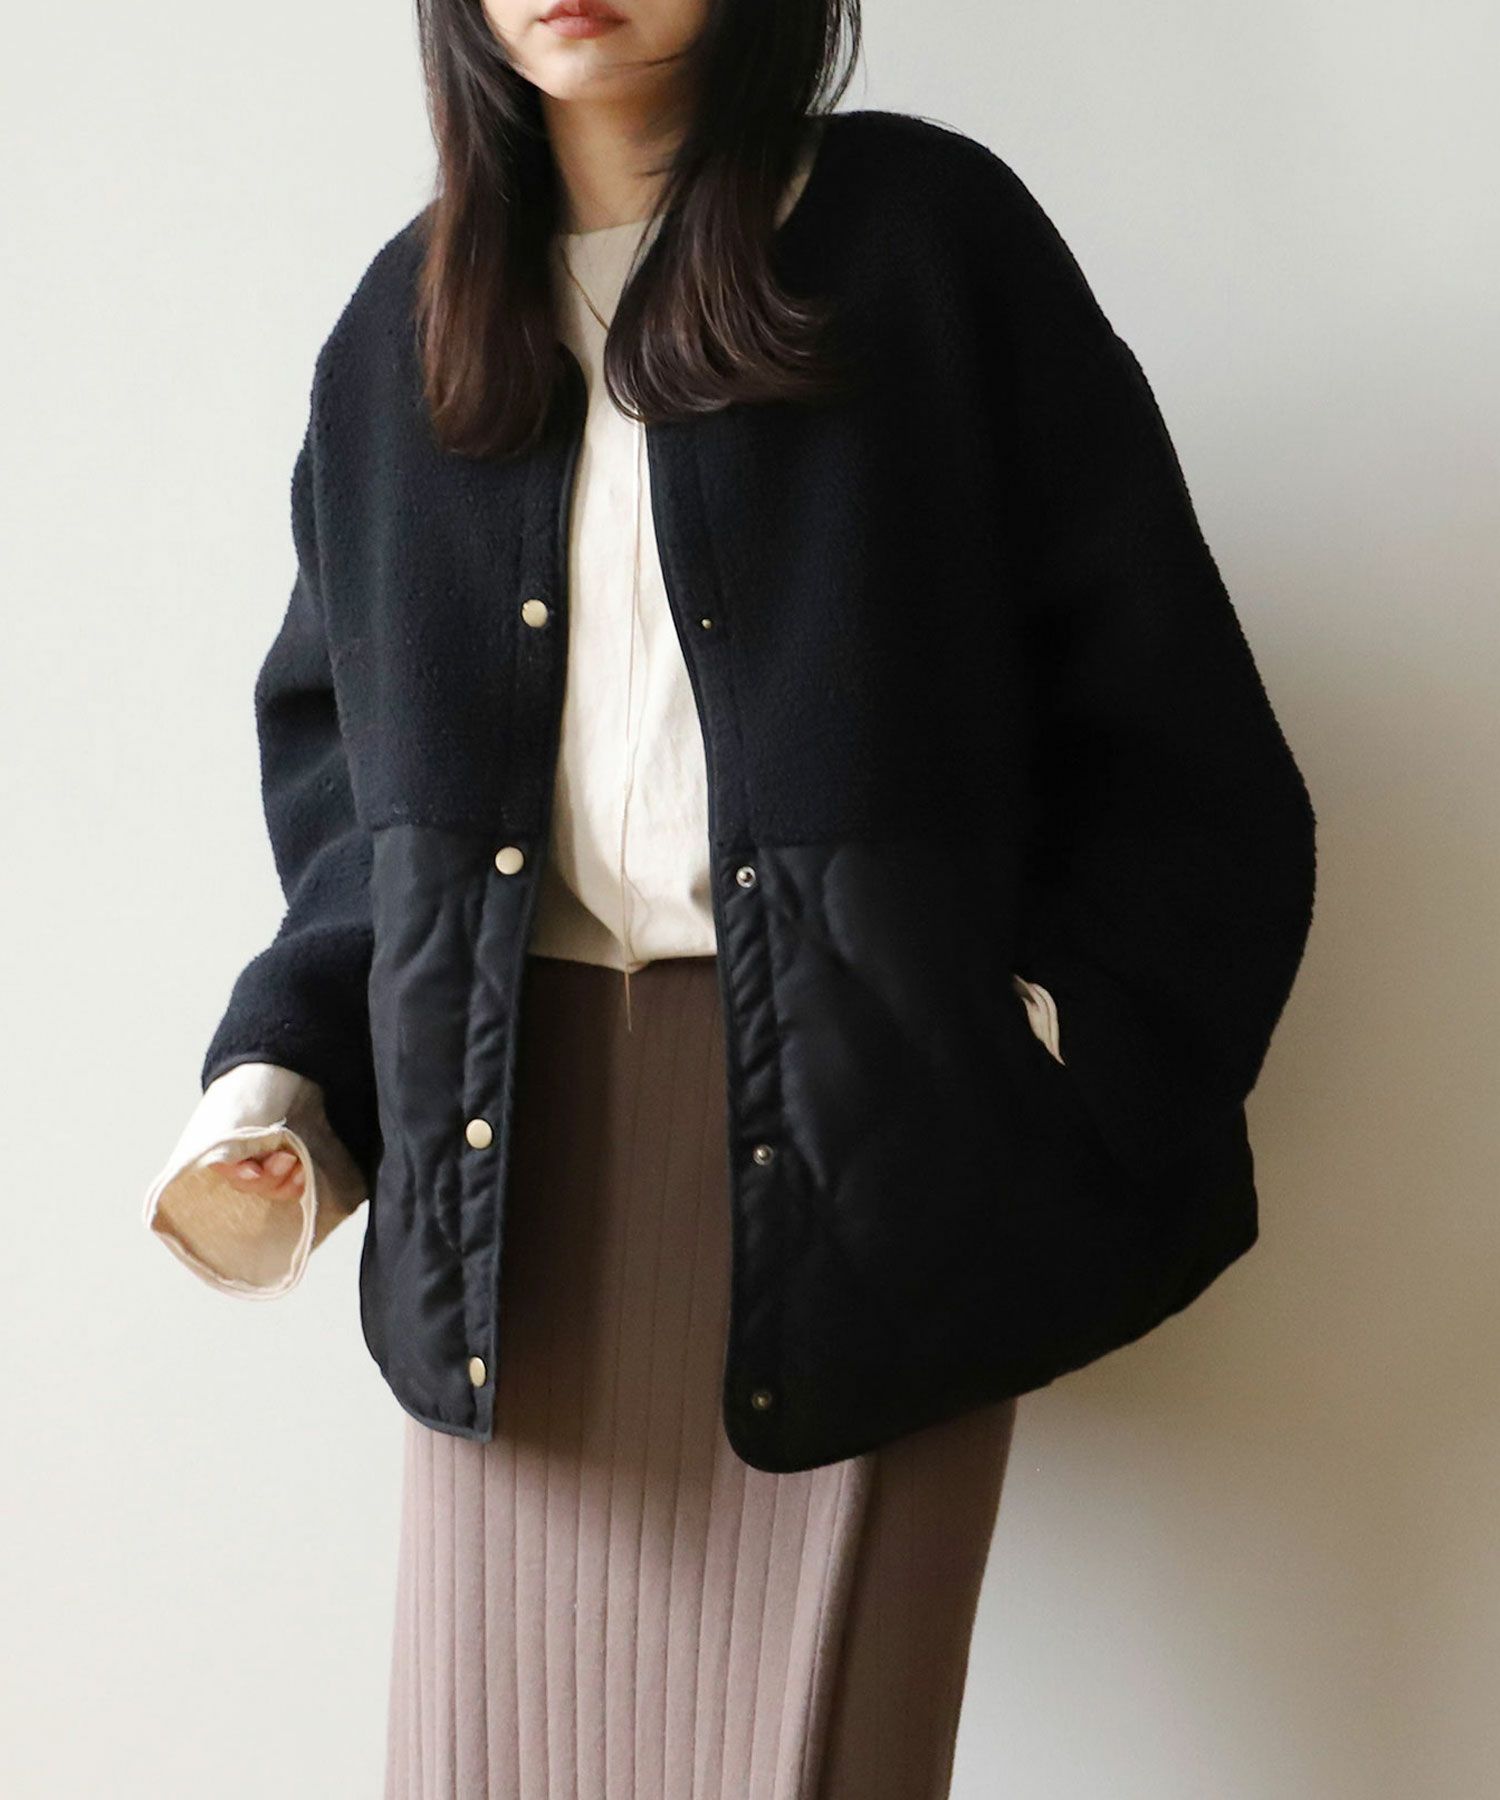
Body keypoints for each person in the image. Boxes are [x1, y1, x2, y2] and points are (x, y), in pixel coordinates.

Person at [141, 1, 1317, 1794]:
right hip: (509, 1180)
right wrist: (285, 1087)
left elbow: (1180, 744)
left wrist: (1031, 1050)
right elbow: (357, 824)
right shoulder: (402, 335)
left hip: (872, 1162)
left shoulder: (924, 247)